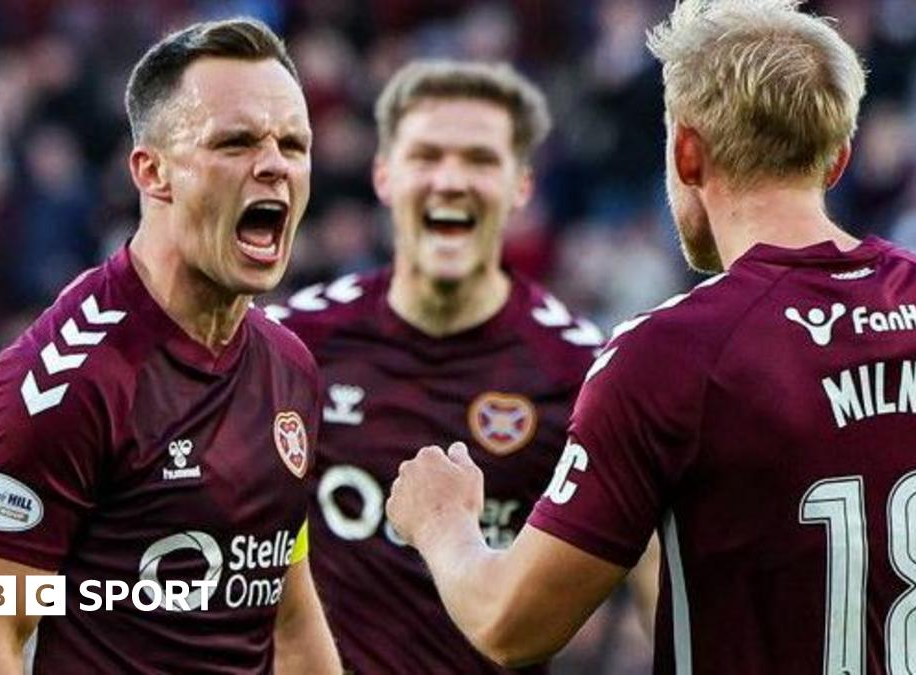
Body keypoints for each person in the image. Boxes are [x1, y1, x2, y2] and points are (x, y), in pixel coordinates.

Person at [385, 1, 916, 673]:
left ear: (687, 151)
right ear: (837, 159)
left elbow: (512, 626)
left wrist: (443, 521)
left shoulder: (672, 354)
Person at [0, 18, 340, 674]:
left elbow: (288, 613)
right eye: (235, 142)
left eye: (294, 143)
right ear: (153, 172)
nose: (273, 164)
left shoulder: (291, 369)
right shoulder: (61, 385)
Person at [267, 59, 644, 673]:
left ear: (521, 186)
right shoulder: (289, 347)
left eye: (479, 160)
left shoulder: (584, 373)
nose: (450, 180)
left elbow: (662, 605)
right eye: (426, 156)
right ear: (384, 176)